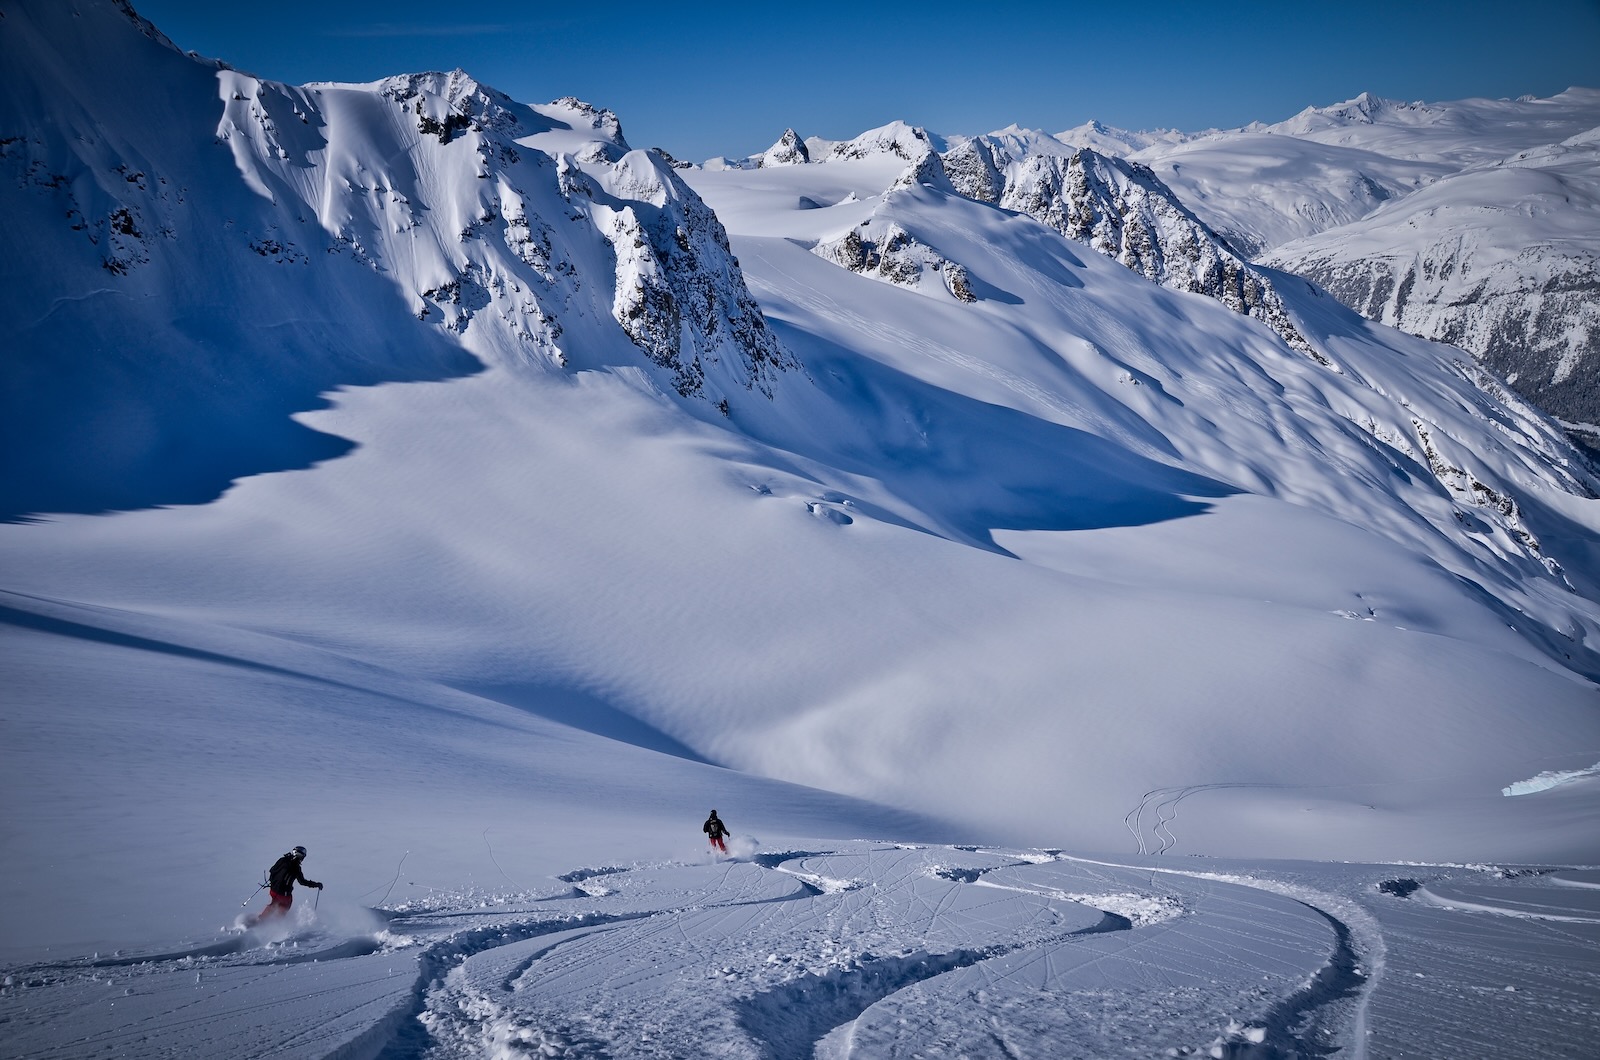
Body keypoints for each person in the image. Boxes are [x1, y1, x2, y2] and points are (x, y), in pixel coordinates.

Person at [248, 845, 322, 926]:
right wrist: (317, 884)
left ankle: (262, 919)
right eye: (302, 856)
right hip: (284, 894)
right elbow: (302, 882)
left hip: (273, 890)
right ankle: (276, 923)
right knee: (285, 905)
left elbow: (272, 870)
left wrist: (273, 881)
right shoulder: (296, 867)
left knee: (273, 903)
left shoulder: (282, 859)